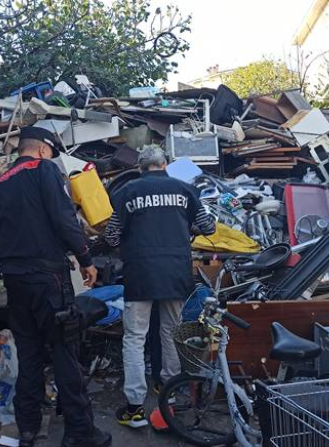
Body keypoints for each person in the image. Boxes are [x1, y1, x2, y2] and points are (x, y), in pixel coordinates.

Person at [0, 126, 111, 447]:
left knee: (28, 354)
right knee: (64, 351)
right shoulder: (46, 171)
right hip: (48, 281)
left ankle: (27, 430)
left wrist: (25, 264)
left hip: (16, 283)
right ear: (42, 149)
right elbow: (63, 219)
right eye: (51, 152)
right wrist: (85, 259)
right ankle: (79, 433)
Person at [104, 146, 216, 428]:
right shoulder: (185, 190)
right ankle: (170, 394)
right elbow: (208, 227)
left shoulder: (127, 191)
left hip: (140, 273)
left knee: (134, 337)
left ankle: (135, 408)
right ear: (164, 164)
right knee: (170, 332)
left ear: (141, 167)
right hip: (176, 273)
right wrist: (184, 228)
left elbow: (112, 235)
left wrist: (130, 241)